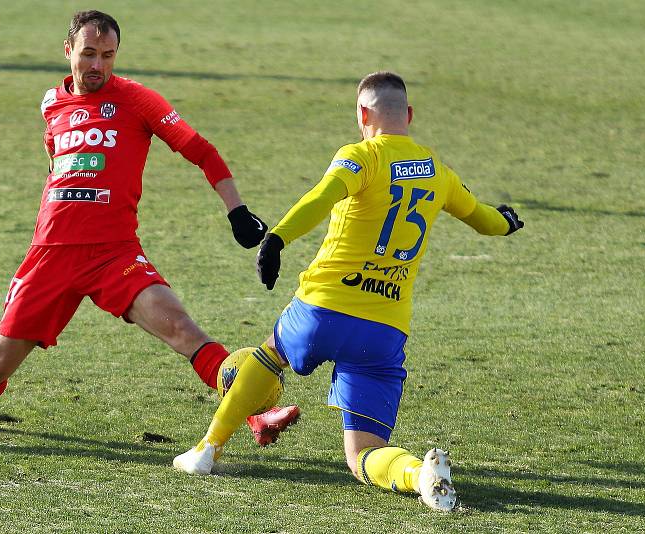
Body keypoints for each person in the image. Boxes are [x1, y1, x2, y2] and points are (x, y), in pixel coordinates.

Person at [0, 10, 300, 445]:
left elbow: (200, 150)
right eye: (89, 54)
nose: (98, 65)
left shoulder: (138, 100)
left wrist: (237, 210)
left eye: (108, 55)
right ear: (68, 51)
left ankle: (255, 417)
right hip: (51, 254)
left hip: (114, 253)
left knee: (182, 330)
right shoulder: (51, 104)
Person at [173, 71, 524, 511]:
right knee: (362, 456)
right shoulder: (438, 172)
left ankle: (208, 449)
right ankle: (419, 475)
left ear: (362, 114)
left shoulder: (361, 157)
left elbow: (321, 196)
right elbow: (484, 219)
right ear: (408, 115)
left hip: (324, 309)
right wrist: (506, 221)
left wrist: (277, 239)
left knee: (269, 354)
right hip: (383, 330)